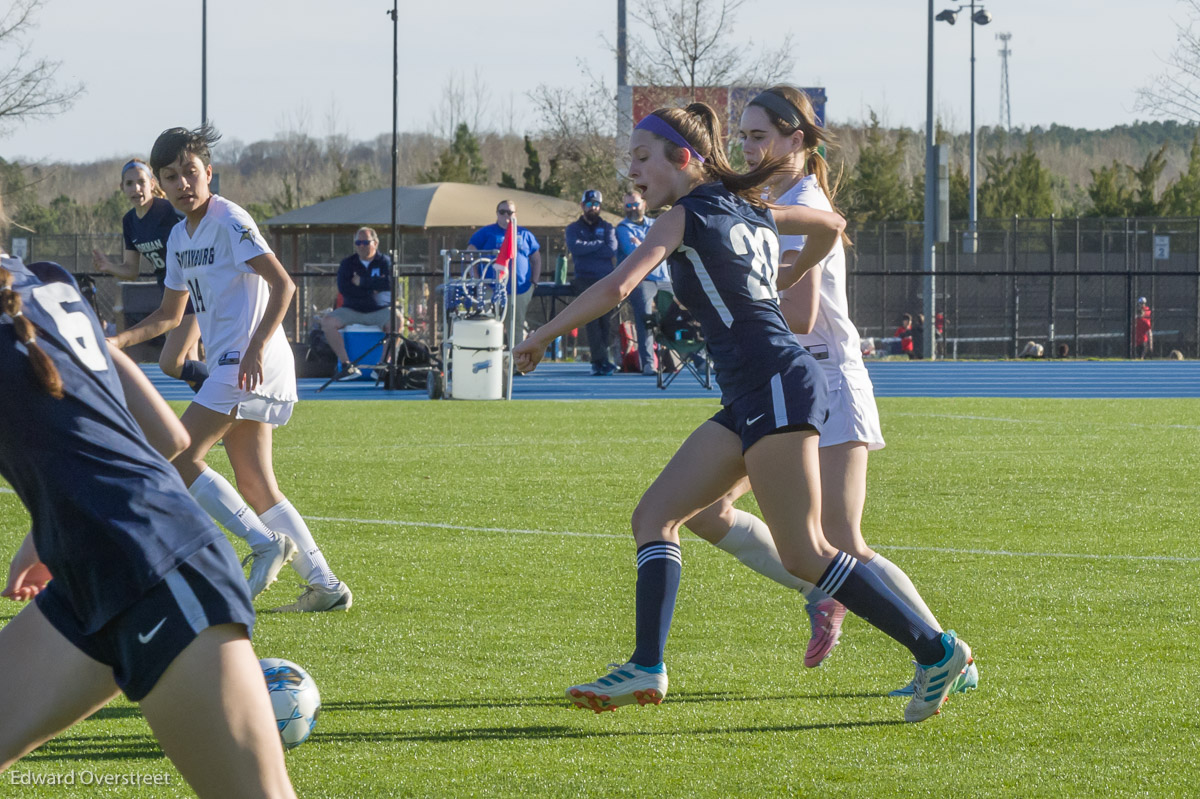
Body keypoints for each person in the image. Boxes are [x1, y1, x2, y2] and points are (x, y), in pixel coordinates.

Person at [513, 102, 973, 723]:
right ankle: (647, 665)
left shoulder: (684, 215)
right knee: (658, 515)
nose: (633, 171)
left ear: (685, 158)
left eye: (642, 157)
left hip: (776, 380)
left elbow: (617, 288)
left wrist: (542, 336)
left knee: (808, 551)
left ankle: (936, 649)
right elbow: (831, 224)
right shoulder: (752, 207)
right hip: (758, 388)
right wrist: (783, 276)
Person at [684, 85, 976, 697]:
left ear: (796, 140)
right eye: (743, 137)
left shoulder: (802, 203)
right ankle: (823, 588)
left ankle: (947, 655)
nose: (748, 147)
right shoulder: (770, 200)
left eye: (760, 136)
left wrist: (724, 295)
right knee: (707, 512)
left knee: (843, 541)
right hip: (781, 390)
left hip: (825, 383)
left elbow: (802, 313)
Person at [0, 229, 296, 796]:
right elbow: (165, 434)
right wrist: (50, 528)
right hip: (95, 577)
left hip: (160, 573)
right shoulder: (50, 285)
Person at [109, 124, 352, 613]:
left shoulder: (229, 218)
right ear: (160, 184)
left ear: (209, 173)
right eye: (171, 176)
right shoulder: (179, 236)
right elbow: (169, 316)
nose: (183, 184)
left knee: (175, 456)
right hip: (234, 365)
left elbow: (284, 286)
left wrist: (257, 347)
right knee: (256, 483)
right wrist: (112, 341)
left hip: (246, 363)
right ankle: (325, 586)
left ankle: (264, 543)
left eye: (190, 172)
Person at [92, 159, 208, 391]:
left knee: (178, 360)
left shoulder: (167, 210)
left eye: (141, 182)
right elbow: (131, 271)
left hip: (193, 289)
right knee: (188, 363)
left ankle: (226, 396)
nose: (136, 188)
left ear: (153, 183)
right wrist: (108, 266)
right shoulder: (130, 221)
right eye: (130, 183)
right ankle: (218, 409)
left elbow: (200, 233)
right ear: (122, 187)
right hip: (169, 295)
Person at [321, 227, 395, 381]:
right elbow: (345, 289)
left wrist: (362, 282)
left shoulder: (385, 262)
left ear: (375, 243)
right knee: (328, 322)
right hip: (352, 309)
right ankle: (347, 365)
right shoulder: (348, 263)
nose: (361, 246)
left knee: (397, 321)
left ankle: (382, 366)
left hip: (378, 310)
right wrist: (373, 288)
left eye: (365, 242)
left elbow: (390, 284)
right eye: (358, 242)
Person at [467, 199, 542, 348]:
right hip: (491, 288)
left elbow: (536, 259)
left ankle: (517, 364)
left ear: (515, 214)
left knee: (517, 326)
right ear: (497, 213)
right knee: (490, 326)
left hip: (519, 290)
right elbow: (471, 254)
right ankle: (491, 364)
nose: (506, 215)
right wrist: (477, 280)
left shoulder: (524, 234)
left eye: (510, 212)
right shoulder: (486, 232)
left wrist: (534, 282)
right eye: (502, 212)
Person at [566, 189, 619, 375]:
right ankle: (599, 361)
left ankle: (606, 359)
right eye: (589, 204)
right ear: (582, 206)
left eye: (596, 204)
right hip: (584, 279)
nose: (593, 208)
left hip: (606, 279)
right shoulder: (573, 228)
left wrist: (590, 246)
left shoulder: (608, 227)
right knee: (593, 320)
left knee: (608, 321)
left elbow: (611, 249)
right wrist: (598, 244)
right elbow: (576, 248)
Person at [617, 191, 669, 375]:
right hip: (642, 280)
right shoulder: (622, 228)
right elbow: (635, 252)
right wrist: (649, 246)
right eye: (628, 205)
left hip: (665, 279)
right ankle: (648, 363)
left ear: (644, 204)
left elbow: (665, 247)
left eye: (635, 204)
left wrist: (643, 244)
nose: (632, 209)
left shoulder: (656, 224)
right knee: (644, 319)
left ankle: (698, 359)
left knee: (681, 315)